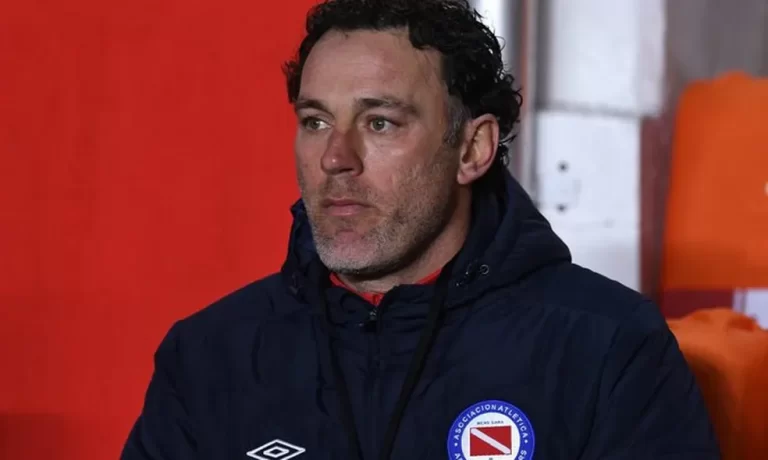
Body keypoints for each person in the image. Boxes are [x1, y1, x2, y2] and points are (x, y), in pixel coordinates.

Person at [121, 0, 720, 459]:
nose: (335, 157)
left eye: (379, 123)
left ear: (473, 147)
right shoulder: (209, 357)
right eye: (315, 120)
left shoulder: (607, 349)